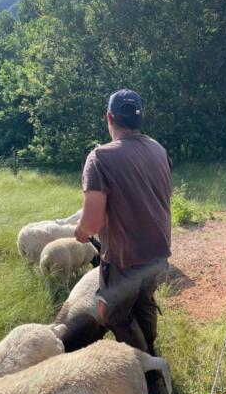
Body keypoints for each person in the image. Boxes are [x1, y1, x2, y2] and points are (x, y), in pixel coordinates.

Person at [74, 88, 172, 358]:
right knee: (145, 303)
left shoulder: (100, 157)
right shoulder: (158, 150)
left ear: (109, 117)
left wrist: (80, 233)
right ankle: (151, 350)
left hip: (124, 259)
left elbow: (92, 223)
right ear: (141, 118)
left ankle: (144, 371)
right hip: (158, 253)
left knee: (115, 315)